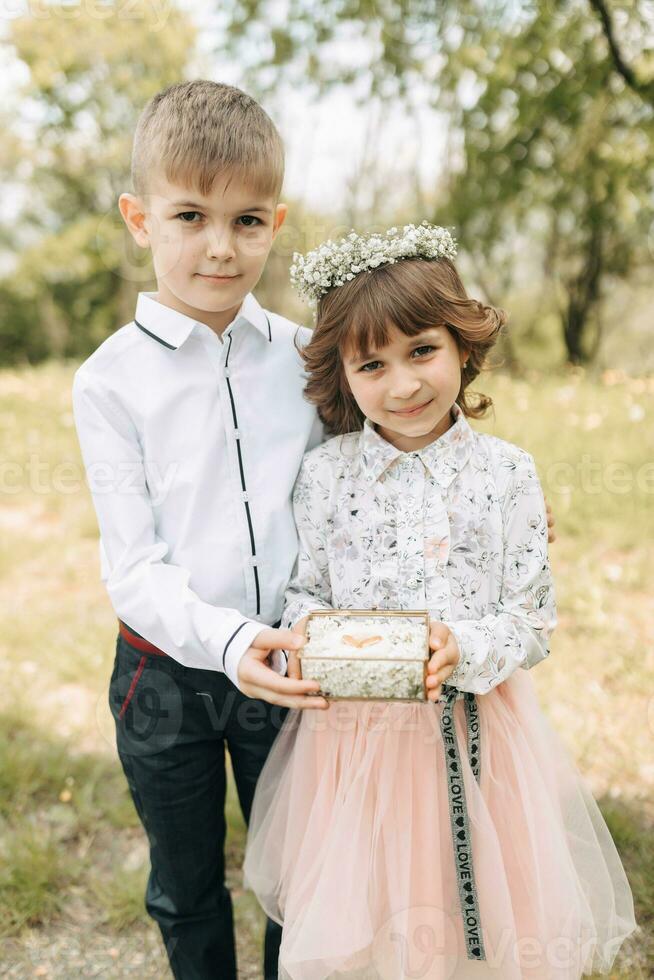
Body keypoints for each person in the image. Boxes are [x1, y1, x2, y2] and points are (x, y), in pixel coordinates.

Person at [243, 223, 637, 980]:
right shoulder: (325, 478)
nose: (403, 384)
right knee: (374, 915)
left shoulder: (507, 474)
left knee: (479, 919)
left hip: (479, 737)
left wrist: (465, 647)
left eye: (422, 350)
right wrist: (317, 633)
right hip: (357, 749)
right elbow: (303, 595)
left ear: (461, 345)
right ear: (344, 377)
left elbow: (531, 620)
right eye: (373, 364)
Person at [71, 79, 331, 980]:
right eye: (191, 215)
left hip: (294, 665)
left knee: (300, 879)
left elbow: (371, 474)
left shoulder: (308, 359)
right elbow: (133, 565)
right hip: (164, 674)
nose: (221, 247)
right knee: (185, 885)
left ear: (276, 220)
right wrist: (231, 641)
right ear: (140, 218)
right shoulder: (108, 383)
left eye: (248, 220)